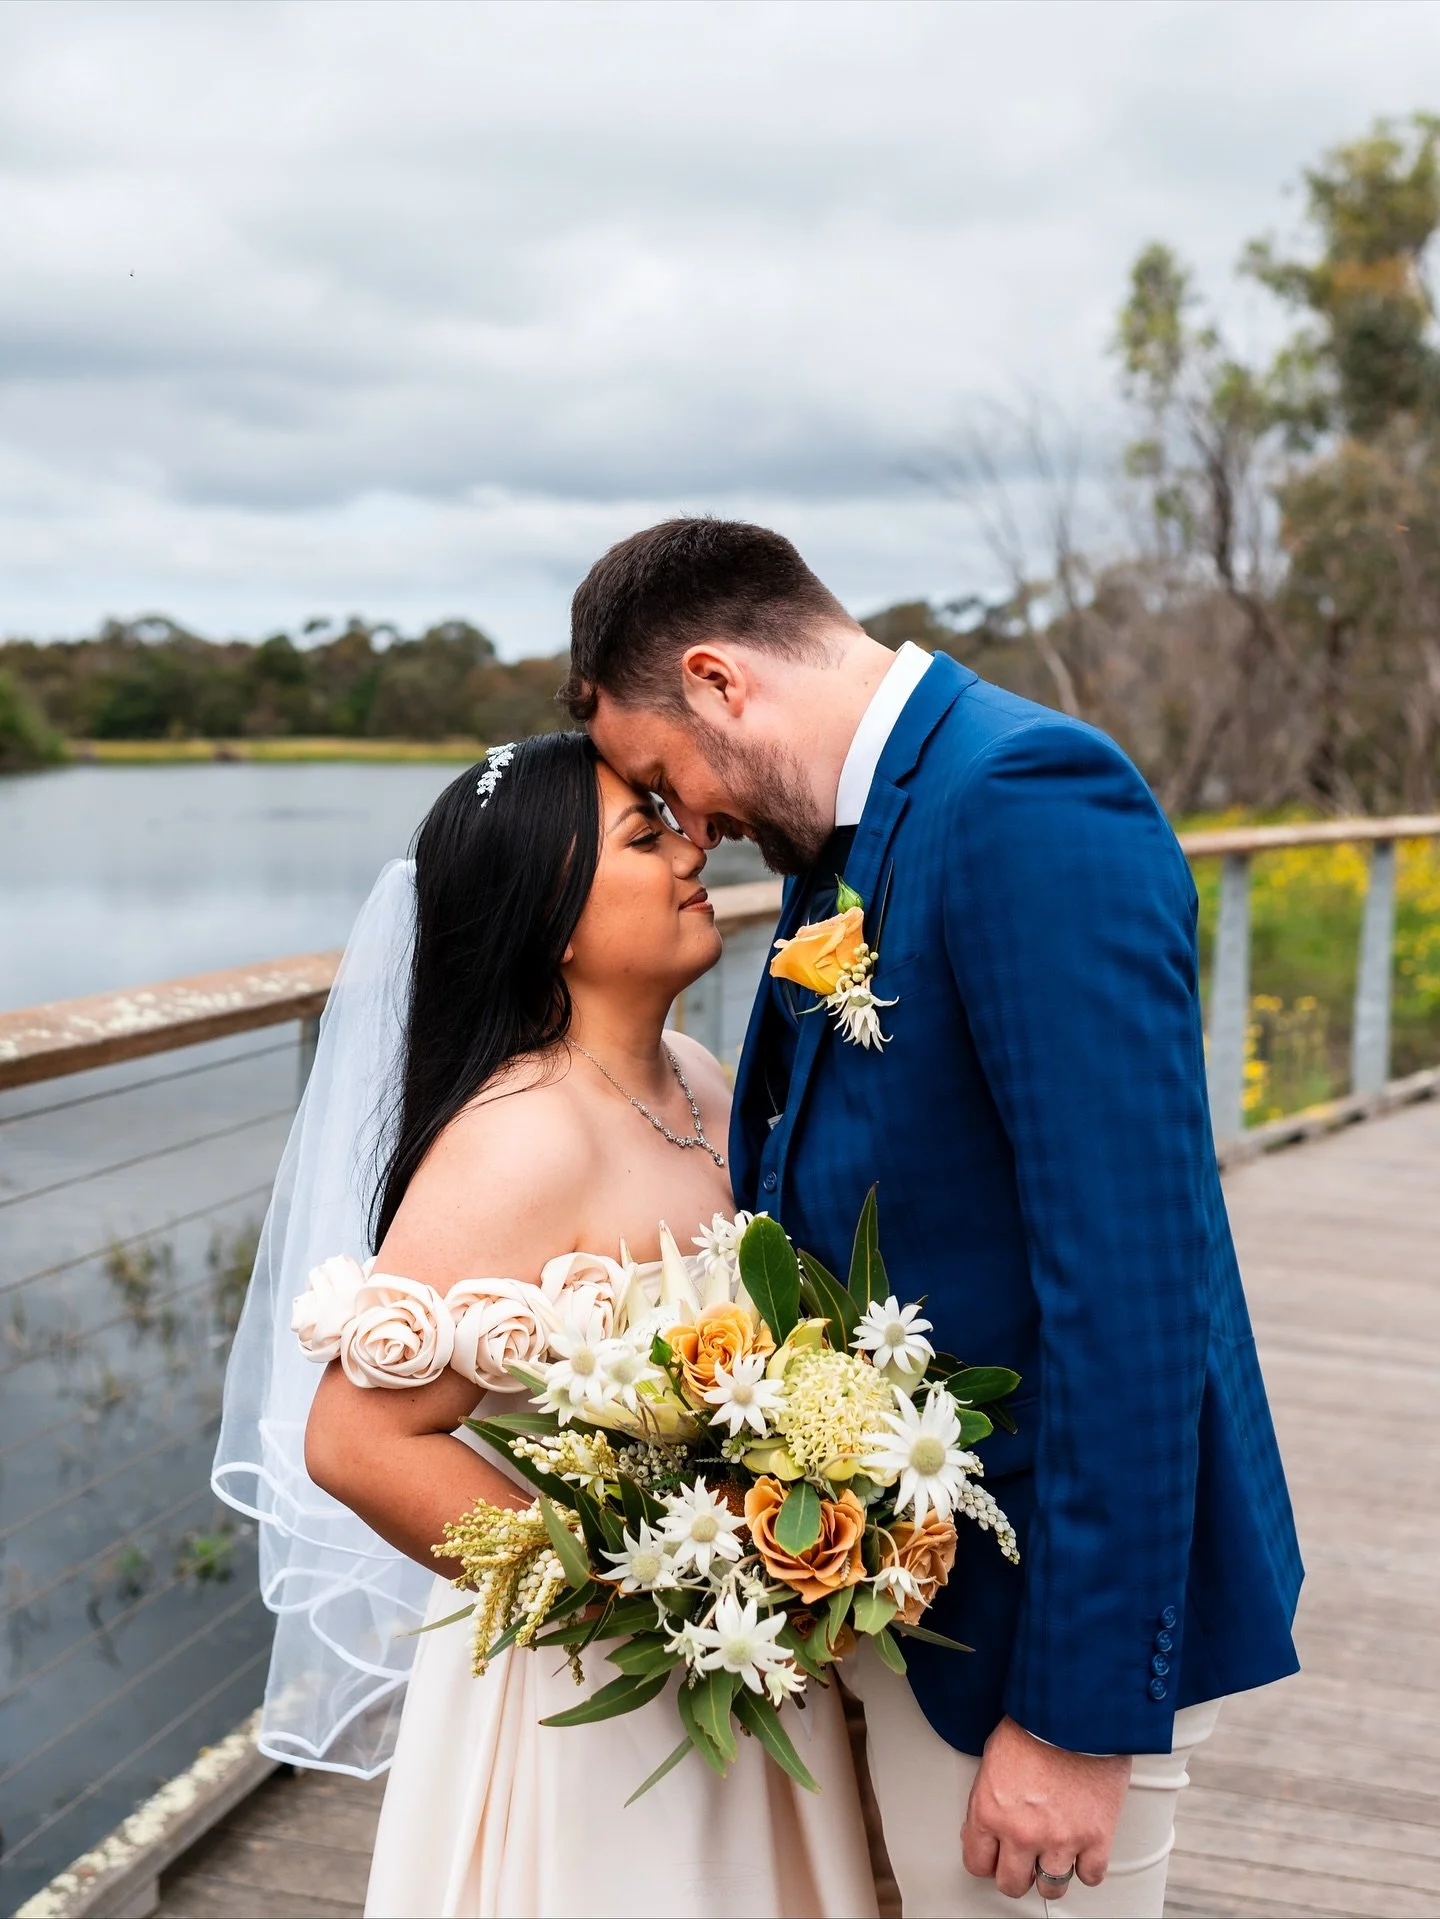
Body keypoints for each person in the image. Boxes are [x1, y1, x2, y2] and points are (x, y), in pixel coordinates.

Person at [563, 517, 1305, 1919]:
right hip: (927, 1589)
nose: (696, 825)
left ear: (720, 679)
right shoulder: (851, 824)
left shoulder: (1024, 795)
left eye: (671, 778)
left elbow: (1135, 1278)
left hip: (1042, 1636)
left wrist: (1080, 1716)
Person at [213, 732, 879, 1919]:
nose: (694, 847)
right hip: (607, 1698)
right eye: (646, 833)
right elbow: (356, 1443)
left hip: (749, 1656)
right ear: (553, 918)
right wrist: (639, 1585)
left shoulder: (697, 1074)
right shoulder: (518, 1133)